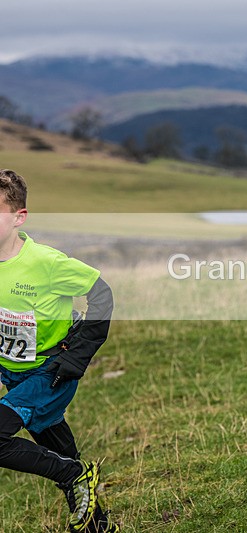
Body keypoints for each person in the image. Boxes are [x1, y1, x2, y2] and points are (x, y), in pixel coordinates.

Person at [0, 169, 118, 532]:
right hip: (14, 373)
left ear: (19, 217)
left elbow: (102, 295)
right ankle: (99, 526)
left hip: (52, 371)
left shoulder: (46, 263)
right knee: (59, 447)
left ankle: (76, 475)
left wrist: (77, 355)